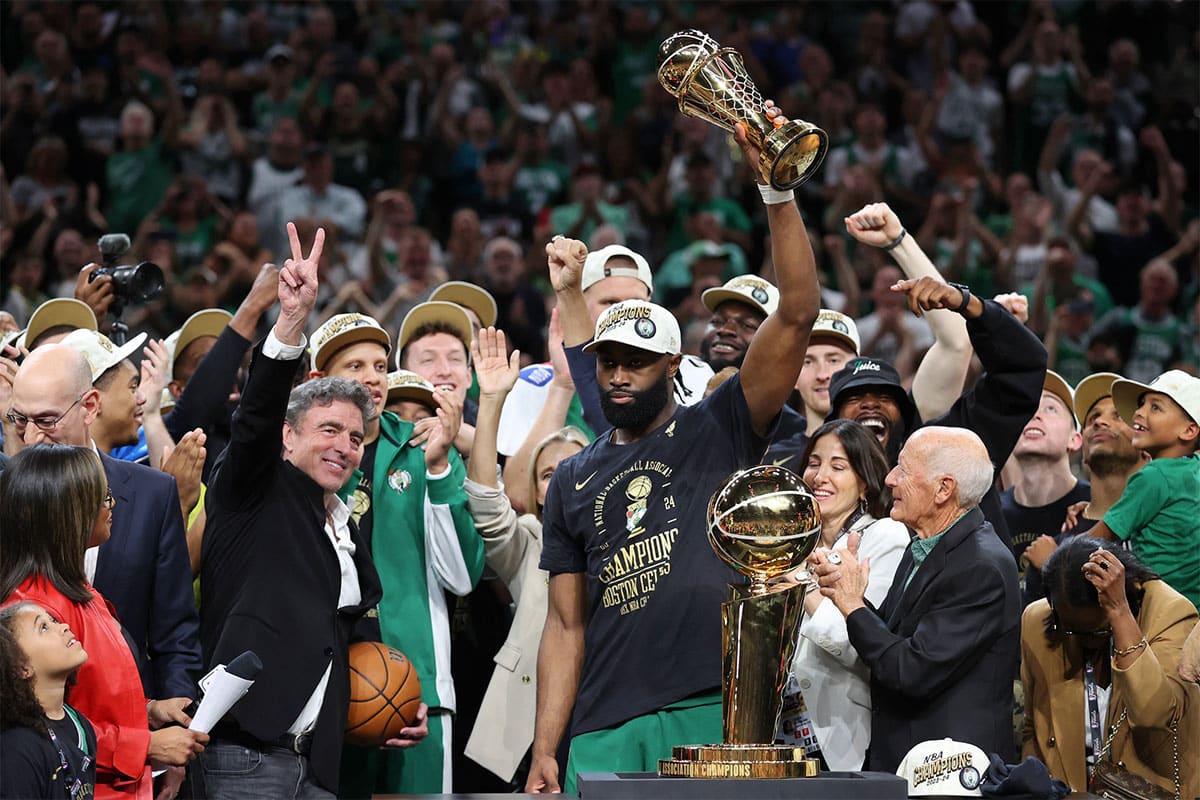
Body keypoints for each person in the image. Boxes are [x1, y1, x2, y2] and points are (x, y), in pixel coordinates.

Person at [529, 104, 821, 793]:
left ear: (673, 365)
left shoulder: (718, 426)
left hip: (709, 711)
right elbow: (566, 627)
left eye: (638, 360)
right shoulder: (572, 478)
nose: (620, 373)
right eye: (608, 361)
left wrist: (777, 193)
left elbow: (799, 311)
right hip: (600, 725)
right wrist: (546, 745)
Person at [198, 224, 386, 797]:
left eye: (355, 438)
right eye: (328, 429)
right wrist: (289, 325)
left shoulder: (345, 526)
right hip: (243, 755)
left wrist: (393, 696)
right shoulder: (253, 486)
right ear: (287, 436)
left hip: (318, 764)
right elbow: (252, 419)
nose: (344, 446)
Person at [306, 311, 476, 796]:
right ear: (318, 379)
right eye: (354, 366)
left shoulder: (426, 447)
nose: (372, 379)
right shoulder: (298, 459)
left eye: (380, 365)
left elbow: (463, 578)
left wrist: (442, 468)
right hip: (322, 694)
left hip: (417, 689)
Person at [0, 444, 207, 800]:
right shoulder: (34, 611)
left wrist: (149, 710)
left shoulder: (80, 591)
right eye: (101, 498)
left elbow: (88, 700)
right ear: (67, 514)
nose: (112, 507)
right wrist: (145, 745)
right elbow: (43, 723)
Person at [813, 426, 1021, 772]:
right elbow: (900, 639)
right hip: (902, 761)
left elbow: (911, 670)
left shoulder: (982, 567)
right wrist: (846, 593)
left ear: (944, 489)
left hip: (949, 776)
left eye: (903, 469)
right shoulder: (925, 546)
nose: (891, 479)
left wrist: (853, 606)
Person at [8, 346, 202, 706]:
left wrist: (177, 713)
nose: (32, 436)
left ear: (90, 407)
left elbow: (175, 635)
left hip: (135, 728)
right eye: (20, 420)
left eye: (47, 420)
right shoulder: (7, 495)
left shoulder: (152, 495)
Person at [462, 324, 588, 785]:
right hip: (528, 732)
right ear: (535, 491)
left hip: (606, 722)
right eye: (549, 473)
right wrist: (491, 400)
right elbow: (485, 501)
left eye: (575, 468)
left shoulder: (626, 542)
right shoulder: (530, 539)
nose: (562, 481)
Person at [1021, 538, 1199, 797]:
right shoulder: (1037, 622)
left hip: (1147, 789)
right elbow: (1033, 729)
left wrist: (1120, 614)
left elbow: (1153, 715)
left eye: (1098, 631)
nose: (1085, 642)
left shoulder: (1171, 613)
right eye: (1073, 631)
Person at [784, 419, 909, 770]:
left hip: (843, 740)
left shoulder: (885, 537)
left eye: (838, 466)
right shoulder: (789, 548)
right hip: (781, 735)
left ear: (865, 483)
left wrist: (802, 588)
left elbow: (864, 649)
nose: (820, 476)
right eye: (813, 463)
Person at [1085, 371, 1200, 610]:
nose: (1139, 412)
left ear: (1189, 431)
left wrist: (1055, 555)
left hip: (1161, 616)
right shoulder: (1192, 470)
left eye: (1155, 407)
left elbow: (1097, 539)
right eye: (1142, 404)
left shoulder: (1154, 476)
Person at [1001, 371, 1090, 603]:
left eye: (1050, 408)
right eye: (1027, 407)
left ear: (1075, 439)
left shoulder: (1093, 508)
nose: (1035, 415)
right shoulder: (990, 514)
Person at [0, 601, 98, 800]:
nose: (63, 626)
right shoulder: (17, 749)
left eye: (53, 620)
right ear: (21, 667)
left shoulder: (79, 724)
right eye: (43, 627)